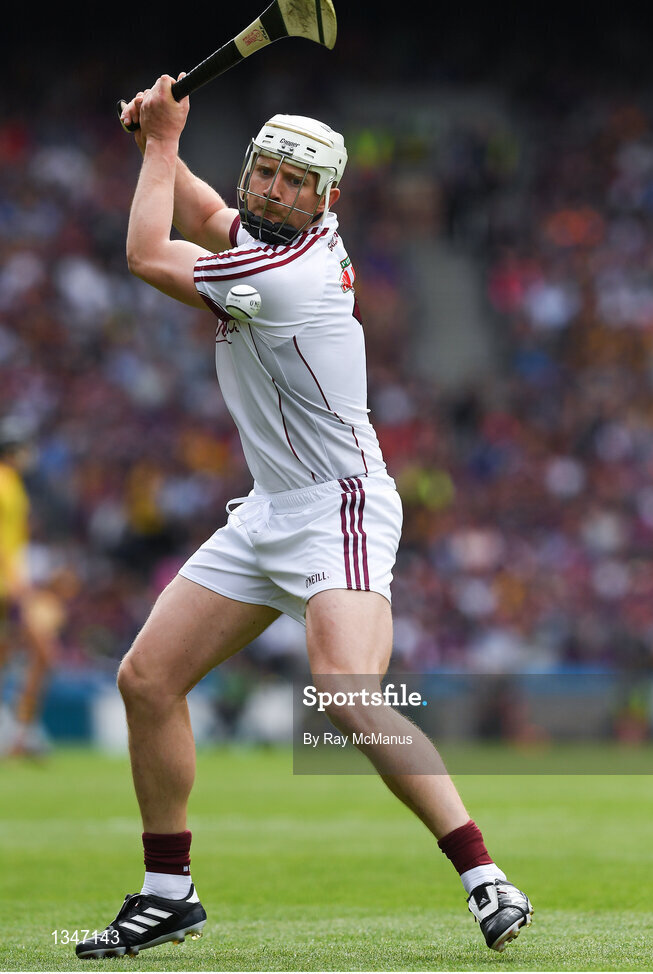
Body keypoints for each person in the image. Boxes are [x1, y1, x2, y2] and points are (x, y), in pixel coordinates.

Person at [75, 76, 532, 959]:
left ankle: (483, 873)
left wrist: (164, 145)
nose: (274, 191)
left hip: (341, 505)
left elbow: (146, 252)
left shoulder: (285, 274)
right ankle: (169, 889)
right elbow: (211, 211)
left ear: (327, 199)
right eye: (267, 173)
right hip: (271, 509)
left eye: (295, 182)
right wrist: (156, 148)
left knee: (345, 690)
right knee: (146, 680)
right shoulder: (276, 235)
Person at [0, 420, 61, 757]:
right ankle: (23, 729)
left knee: (8, 655)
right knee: (44, 653)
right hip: (8, 589)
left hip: (9, 586)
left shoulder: (11, 485)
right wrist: (20, 587)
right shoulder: (6, 485)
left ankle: (16, 732)